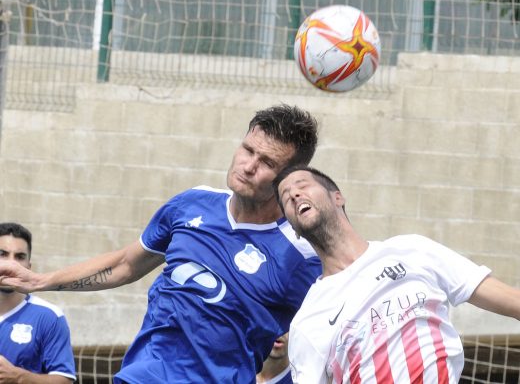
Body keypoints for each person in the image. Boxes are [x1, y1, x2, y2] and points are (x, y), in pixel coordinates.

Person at [0, 105, 322, 383]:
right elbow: (126, 265)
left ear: (290, 177)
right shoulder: (192, 204)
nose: (249, 165)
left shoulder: (300, 255)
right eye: (247, 149)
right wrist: (41, 281)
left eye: (267, 162)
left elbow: (327, 335)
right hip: (139, 376)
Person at [273, 165, 520, 384]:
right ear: (293, 228)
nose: (294, 195)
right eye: (286, 198)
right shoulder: (308, 322)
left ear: (337, 197)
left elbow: (512, 301)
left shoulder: (412, 250)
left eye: (302, 185)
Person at [0, 222, 76, 384]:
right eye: (2, 254)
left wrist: (19, 377)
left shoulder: (50, 317)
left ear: (29, 266)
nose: (11, 264)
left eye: (20, 257)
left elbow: (65, 380)